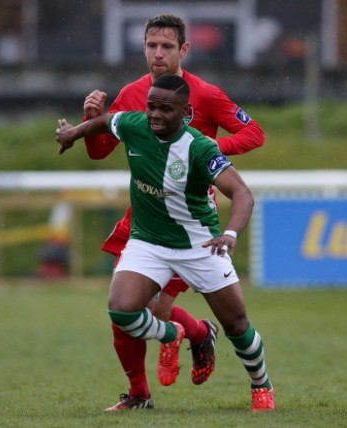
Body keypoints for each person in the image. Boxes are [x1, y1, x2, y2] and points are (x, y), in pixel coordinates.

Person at [56, 74, 275, 412]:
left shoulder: (199, 147)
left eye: (164, 109)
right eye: (151, 107)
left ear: (186, 111)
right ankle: (172, 334)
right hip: (148, 242)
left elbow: (242, 193)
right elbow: (105, 123)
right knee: (120, 310)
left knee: (236, 324)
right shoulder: (135, 124)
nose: (155, 114)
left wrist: (229, 234)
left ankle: (262, 386)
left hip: (199, 244)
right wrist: (73, 133)